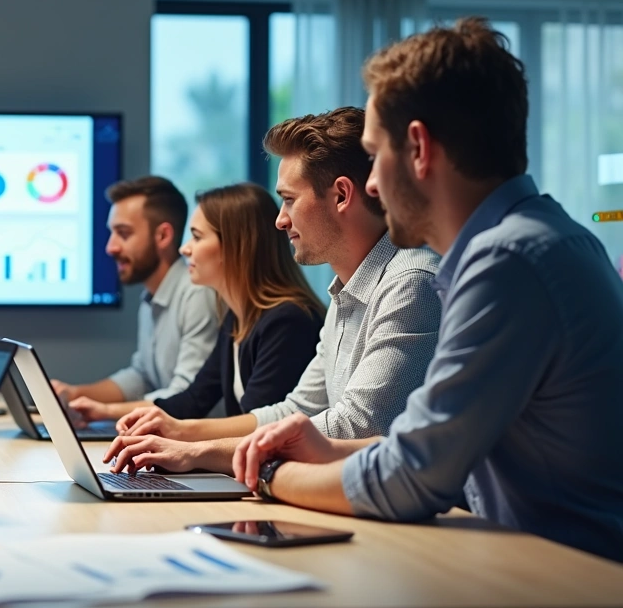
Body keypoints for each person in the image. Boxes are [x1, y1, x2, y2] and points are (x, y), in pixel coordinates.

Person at [232, 18, 623, 563]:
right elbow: (429, 445)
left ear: (417, 148)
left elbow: (411, 477)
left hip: (558, 582)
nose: (370, 184)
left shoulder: (505, 262)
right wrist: (325, 450)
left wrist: (272, 475)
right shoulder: (542, 240)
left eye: (376, 154)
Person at [105, 107, 441, 475]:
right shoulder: (345, 293)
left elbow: (355, 426)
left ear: (342, 195)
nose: (280, 219)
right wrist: (184, 434)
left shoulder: (410, 283)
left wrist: (199, 451)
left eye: (290, 200)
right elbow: (297, 409)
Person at [66, 182, 323, 424]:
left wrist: (180, 443)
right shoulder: (236, 318)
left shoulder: (288, 321)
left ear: (236, 247)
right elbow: (193, 400)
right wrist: (105, 412)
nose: (185, 249)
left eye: (197, 238)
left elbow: (257, 425)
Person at [50, 176, 220, 405]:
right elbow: (142, 376)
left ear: (163, 236)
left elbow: (185, 394)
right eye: (112, 233)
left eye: (124, 233)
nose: (111, 247)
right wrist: (76, 394)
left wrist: (104, 411)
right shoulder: (151, 297)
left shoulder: (197, 293)